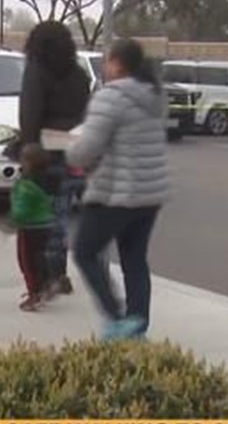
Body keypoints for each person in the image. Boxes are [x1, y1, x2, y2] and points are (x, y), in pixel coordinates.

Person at [67, 38, 170, 340]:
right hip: (150, 193)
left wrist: (70, 150)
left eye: (107, 59)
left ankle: (116, 319)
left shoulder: (110, 97)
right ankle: (137, 325)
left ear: (118, 64)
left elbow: (85, 150)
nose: (104, 65)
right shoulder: (154, 96)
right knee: (134, 260)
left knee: (85, 252)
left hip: (116, 193)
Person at [19, 21, 91, 296]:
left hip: (43, 152)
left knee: (39, 218)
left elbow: (30, 115)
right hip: (72, 151)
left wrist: (28, 152)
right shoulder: (79, 75)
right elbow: (86, 114)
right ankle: (59, 271)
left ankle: (45, 276)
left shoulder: (36, 72)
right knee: (60, 214)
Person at [11, 144, 59, 312]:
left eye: (23, 159)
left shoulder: (25, 184)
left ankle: (34, 294)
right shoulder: (49, 180)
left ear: (29, 163)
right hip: (47, 225)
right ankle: (47, 284)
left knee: (27, 262)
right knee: (41, 257)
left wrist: (13, 220)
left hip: (29, 227)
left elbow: (21, 207)